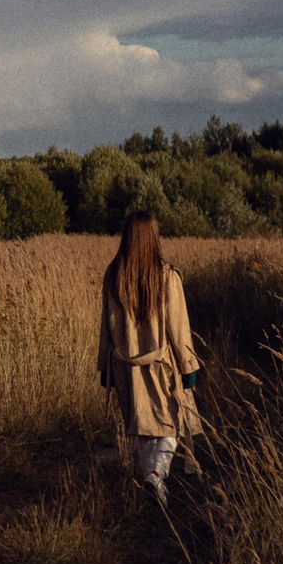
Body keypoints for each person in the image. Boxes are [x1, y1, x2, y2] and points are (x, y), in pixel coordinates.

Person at [97, 210, 202, 505]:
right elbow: (179, 328)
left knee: (142, 425)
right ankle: (156, 475)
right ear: (153, 237)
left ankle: (152, 479)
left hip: (125, 366)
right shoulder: (167, 276)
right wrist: (188, 367)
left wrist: (105, 367)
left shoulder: (114, 274)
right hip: (162, 367)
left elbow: (106, 326)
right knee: (173, 423)